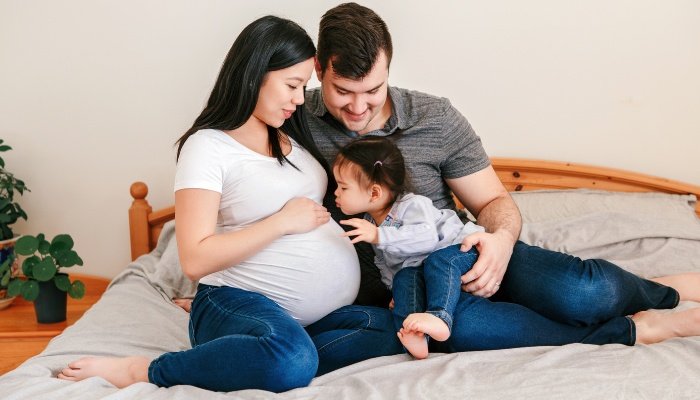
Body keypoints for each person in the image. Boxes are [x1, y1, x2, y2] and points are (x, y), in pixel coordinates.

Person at [305, 2, 700, 351]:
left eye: (373, 90)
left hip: (466, 252)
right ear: (319, 70)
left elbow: (493, 201)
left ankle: (664, 290)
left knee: (582, 293)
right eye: (342, 92)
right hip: (416, 285)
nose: (358, 107)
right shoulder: (295, 118)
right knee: (458, 333)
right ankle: (631, 330)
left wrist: (500, 243)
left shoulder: (434, 118)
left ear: (389, 69)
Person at [57, 15, 400, 393]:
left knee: (392, 328)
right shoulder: (208, 146)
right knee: (291, 360)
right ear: (255, 74)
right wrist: (282, 223)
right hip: (235, 299)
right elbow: (195, 257)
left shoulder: (289, 137)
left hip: (295, 318)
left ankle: (255, 352)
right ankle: (148, 369)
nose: (300, 99)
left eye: (304, 86)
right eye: (292, 85)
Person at [333, 136, 482, 359]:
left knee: (439, 262)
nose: (335, 192)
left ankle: (440, 317)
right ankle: (416, 339)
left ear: (374, 193)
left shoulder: (412, 205)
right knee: (405, 278)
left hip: (461, 250)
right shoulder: (371, 222)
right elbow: (386, 263)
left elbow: (426, 239)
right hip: (424, 269)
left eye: (343, 187)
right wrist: (396, 291)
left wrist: (378, 235)